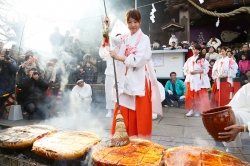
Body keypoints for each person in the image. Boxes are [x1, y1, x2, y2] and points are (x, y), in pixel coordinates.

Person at [101, 9, 162, 139]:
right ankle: (122, 137)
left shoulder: (144, 38)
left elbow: (139, 60)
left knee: (139, 112)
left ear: (140, 22)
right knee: (122, 109)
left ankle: (140, 140)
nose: (132, 25)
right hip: (124, 80)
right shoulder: (124, 37)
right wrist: (106, 26)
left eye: (135, 22)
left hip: (138, 80)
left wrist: (119, 58)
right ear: (126, 23)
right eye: (129, 22)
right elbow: (110, 42)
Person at [217, 83, 250, 152]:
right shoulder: (248, 87)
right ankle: (231, 149)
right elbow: (234, 106)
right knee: (228, 116)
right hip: (247, 114)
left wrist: (243, 128)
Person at [183, 44, 211, 117]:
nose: (195, 51)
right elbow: (185, 68)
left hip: (199, 79)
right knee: (190, 95)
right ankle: (191, 109)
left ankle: (199, 110)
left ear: (199, 51)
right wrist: (188, 72)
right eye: (193, 49)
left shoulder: (202, 59)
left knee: (199, 96)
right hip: (191, 79)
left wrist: (196, 72)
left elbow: (206, 69)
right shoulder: (189, 59)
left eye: (196, 49)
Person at [99, 42, 114, 118]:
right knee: (108, 92)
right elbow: (102, 55)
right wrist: (105, 44)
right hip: (109, 74)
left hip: (119, 74)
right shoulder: (107, 50)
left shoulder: (121, 48)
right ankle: (109, 110)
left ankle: (118, 110)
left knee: (119, 93)